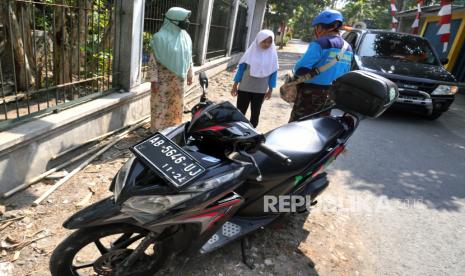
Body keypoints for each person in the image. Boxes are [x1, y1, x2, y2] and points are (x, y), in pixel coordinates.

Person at [289, 9, 353, 122]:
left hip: (311, 93)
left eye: (316, 27)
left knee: (298, 125)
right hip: (332, 94)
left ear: (320, 27)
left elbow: (301, 68)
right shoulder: (348, 47)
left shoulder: (320, 43)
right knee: (320, 125)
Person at [148, 7, 193, 133]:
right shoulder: (159, 38)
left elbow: (188, 57)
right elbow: (152, 61)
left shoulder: (186, 37)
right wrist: (153, 80)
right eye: (184, 19)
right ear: (174, 20)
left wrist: (190, 73)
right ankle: (157, 130)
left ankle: (172, 129)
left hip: (178, 81)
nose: (187, 22)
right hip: (162, 81)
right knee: (160, 105)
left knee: (176, 105)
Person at [231, 30, 279, 128]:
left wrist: (270, 90)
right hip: (244, 88)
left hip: (260, 90)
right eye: (264, 41)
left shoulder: (272, 56)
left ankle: (252, 133)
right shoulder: (249, 53)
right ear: (258, 40)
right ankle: (238, 132)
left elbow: (273, 73)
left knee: (255, 113)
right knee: (240, 112)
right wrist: (235, 86)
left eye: (269, 42)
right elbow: (240, 70)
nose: (267, 44)